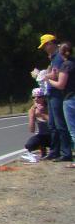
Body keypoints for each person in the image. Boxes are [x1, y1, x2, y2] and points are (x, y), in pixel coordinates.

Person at [40, 34, 72, 162]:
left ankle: (66, 152)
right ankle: (54, 151)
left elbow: (57, 75)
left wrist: (45, 76)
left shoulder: (58, 58)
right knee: (52, 124)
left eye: (45, 46)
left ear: (50, 44)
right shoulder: (53, 58)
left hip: (57, 93)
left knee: (60, 124)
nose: (44, 49)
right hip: (51, 92)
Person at [21, 88, 50, 162]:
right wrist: (31, 117)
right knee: (29, 145)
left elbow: (53, 124)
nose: (36, 99)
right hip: (42, 135)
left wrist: (42, 114)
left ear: (43, 97)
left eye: (39, 97)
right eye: (34, 97)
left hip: (53, 135)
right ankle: (42, 150)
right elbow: (32, 130)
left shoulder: (49, 107)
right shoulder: (32, 109)